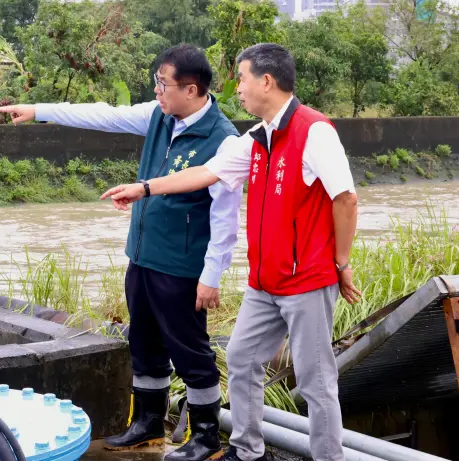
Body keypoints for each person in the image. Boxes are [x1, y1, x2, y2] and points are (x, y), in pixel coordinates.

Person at [101, 42, 361, 461]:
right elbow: (206, 173)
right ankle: (246, 451)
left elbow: (346, 198)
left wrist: (341, 262)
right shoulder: (257, 138)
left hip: (306, 281)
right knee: (241, 360)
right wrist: (145, 188)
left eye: (241, 78)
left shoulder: (314, 132)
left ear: (266, 81)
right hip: (265, 282)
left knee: (315, 381)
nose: (237, 88)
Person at [0, 44, 241, 461]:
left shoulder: (224, 140)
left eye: (164, 84)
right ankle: (147, 422)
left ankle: (205, 437)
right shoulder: (158, 116)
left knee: (190, 349)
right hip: (142, 256)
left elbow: (226, 218)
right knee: (144, 342)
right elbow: (103, 114)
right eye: (157, 83)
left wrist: (211, 275)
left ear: (192, 89)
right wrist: (40, 109)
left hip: (182, 265)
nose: (157, 91)